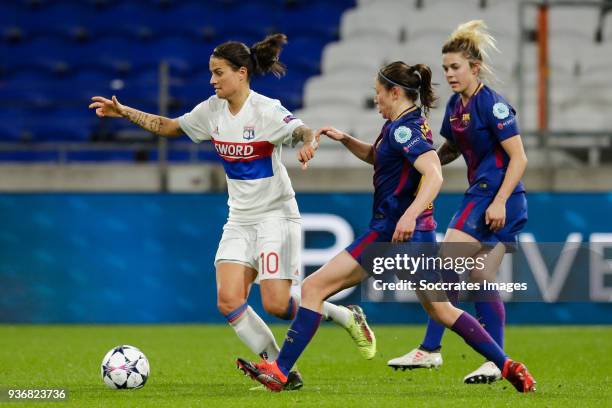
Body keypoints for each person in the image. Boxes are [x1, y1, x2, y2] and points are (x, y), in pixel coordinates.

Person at [88, 33, 376, 391]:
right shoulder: (211, 111)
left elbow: (301, 130)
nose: (212, 80)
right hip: (239, 219)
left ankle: (343, 314)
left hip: (276, 216)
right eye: (211, 73)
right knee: (228, 301)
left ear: (241, 73)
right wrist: (123, 111)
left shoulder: (266, 110)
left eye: (218, 73)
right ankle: (283, 372)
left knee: (276, 304)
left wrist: (309, 143)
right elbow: (169, 126)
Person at [236, 60, 536, 393]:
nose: (376, 100)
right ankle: (508, 365)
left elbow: (434, 173)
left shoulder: (403, 130)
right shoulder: (403, 125)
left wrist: (409, 214)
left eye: (378, 93)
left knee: (314, 288)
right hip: (410, 234)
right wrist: (346, 139)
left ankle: (280, 370)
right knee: (441, 309)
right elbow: (382, 158)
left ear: (395, 92)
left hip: (391, 232)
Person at [387, 20, 530, 385]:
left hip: (494, 196)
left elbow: (519, 158)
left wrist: (498, 202)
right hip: (489, 196)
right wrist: (425, 161)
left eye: (456, 67)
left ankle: (430, 350)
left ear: (475, 68)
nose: (449, 74)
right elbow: (450, 149)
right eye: (446, 67)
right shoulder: (455, 106)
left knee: (446, 262)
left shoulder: (492, 105)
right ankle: (497, 362)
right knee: (481, 276)